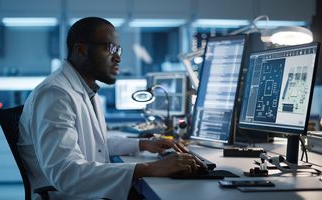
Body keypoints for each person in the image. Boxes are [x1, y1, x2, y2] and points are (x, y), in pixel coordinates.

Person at [18, 17, 204, 200]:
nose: (118, 57)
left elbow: (94, 145)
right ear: (81, 50)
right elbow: (66, 173)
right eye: (110, 48)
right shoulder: (55, 94)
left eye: (119, 49)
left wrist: (144, 144)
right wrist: (151, 168)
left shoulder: (87, 90)